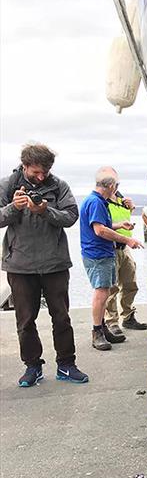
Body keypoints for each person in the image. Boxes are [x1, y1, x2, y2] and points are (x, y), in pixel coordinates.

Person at [0, 143, 89, 386]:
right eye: (36, 172)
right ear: (25, 165)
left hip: (55, 264)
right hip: (20, 265)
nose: (41, 177)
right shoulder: (7, 185)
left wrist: (44, 209)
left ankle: (67, 365)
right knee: (25, 321)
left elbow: (71, 216)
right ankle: (32, 366)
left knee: (61, 317)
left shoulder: (59, 185)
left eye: (45, 172)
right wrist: (13, 207)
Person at [79, 167, 143, 350]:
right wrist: (127, 239)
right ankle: (97, 332)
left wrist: (118, 224)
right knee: (101, 294)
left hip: (102, 254)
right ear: (111, 185)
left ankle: (104, 328)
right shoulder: (96, 202)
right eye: (116, 185)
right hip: (97, 255)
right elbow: (100, 230)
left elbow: (101, 225)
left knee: (106, 291)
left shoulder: (98, 201)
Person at [105, 187, 147, 336]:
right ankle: (112, 322)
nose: (113, 187)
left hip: (125, 248)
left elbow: (123, 220)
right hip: (110, 248)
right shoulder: (101, 202)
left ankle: (128, 317)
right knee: (111, 288)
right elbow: (100, 226)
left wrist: (130, 209)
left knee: (130, 284)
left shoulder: (123, 201)